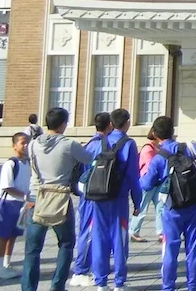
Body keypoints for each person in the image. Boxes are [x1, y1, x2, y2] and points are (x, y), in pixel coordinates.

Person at [21, 107, 94, 291]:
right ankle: (57, 286)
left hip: (36, 196)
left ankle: (28, 288)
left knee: (32, 249)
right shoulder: (69, 144)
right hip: (59, 197)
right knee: (67, 243)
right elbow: (89, 159)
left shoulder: (32, 144)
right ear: (63, 124)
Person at [141, 115, 196, 291]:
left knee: (170, 248)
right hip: (195, 202)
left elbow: (146, 185)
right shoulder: (187, 149)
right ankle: (193, 286)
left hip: (172, 207)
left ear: (154, 134)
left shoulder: (159, 158)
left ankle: (168, 286)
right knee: (194, 248)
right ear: (173, 131)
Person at [88, 108, 141, 291]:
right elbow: (134, 175)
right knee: (119, 238)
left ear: (111, 123)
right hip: (119, 197)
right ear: (127, 122)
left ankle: (100, 281)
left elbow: (88, 170)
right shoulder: (129, 144)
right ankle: (119, 282)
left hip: (98, 196)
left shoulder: (99, 142)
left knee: (99, 237)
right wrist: (137, 201)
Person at [68, 112, 113, 288]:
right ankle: (80, 271)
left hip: (89, 194)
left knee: (92, 232)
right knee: (88, 232)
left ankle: (91, 269)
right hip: (94, 195)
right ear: (109, 124)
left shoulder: (90, 143)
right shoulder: (101, 145)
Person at [0, 132, 29, 280]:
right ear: (14, 146)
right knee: (3, 235)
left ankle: (7, 263)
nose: (25, 145)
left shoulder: (27, 163)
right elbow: (7, 186)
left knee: (14, 235)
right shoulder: (11, 164)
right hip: (8, 203)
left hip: (21, 204)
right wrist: (24, 195)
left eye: (27, 143)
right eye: (22, 143)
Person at [129, 127, 163, 243]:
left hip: (157, 182)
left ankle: (161, 232)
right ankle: (134, 231)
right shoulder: (148, 149)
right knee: (142, 207)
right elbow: (150, 167)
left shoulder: (158, 148)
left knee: (161, 208)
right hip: (147, 182)